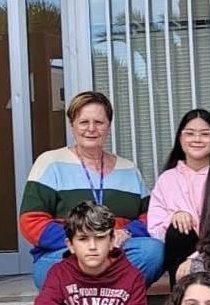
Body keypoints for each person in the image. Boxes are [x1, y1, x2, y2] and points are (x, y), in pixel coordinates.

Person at [20, 91, 164, 287]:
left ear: (108, 127)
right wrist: (83, 242)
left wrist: (124, 234)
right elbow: (31, 222)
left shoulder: (128, 169)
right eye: (83, 122)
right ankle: (111, 296)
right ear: (72, 126)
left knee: (153, 251)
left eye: (98, 122)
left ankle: (99, 297)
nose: (91, 129)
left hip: (116, 252)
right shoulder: (50, 163)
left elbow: (151, 217)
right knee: (51, 271)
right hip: (65, 255)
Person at [147, 109, 210, 283]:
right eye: (190, 133)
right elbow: (155, 227)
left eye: (205, 134)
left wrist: (198, 257)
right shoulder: (167, 179)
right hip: (180, 256)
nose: (197, 139)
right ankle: (181, 301)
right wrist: (175, 217)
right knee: (179, 229)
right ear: (180, 138)